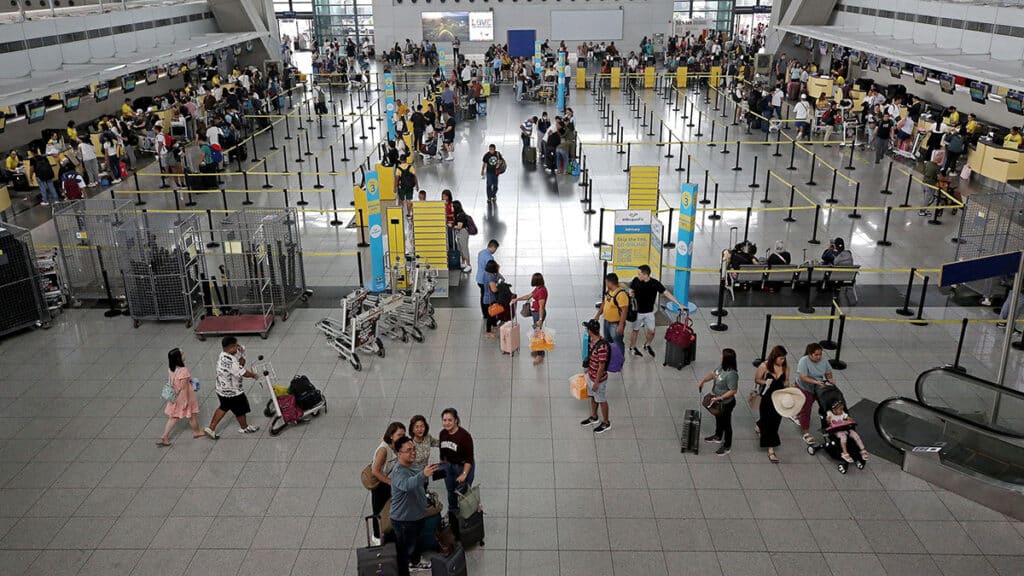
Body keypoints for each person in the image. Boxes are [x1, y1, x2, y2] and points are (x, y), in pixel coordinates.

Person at [391, 436, 438, 575]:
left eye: (413, 449)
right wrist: (423, 474)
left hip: (416, 515)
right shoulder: (398, 471)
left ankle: (415, 560)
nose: (413, 452)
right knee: (407, 548)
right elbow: (407, 485)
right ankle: (409, 565)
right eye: (408, 450)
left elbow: (419, 481)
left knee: (415, 541)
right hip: (404, 520)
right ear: (399, 453)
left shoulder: (412, 465)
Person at [204, 336, 259, 439]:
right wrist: (254, 375)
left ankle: (211, 428)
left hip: (221, 389)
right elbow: (243, 372)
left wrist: (241, 353)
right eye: (235, 346)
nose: (237, 348)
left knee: (223, 407)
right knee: (241, 410)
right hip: (234, 392)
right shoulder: (232, 362)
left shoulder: (222, 355)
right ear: (230, 347)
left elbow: (239, 366)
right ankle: (244, 427)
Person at [628, 264, 683, 358]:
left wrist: (678, 304)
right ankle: (632, 347)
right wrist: (631, 294)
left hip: (649, 312)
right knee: (635, 330)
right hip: (637, 312)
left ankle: (647, 345)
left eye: (639, 274)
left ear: (646, 275)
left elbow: (666, 293)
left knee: (652, 331)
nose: (638, 275)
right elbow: (631, 289)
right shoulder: (636, 280)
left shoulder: (655, 283)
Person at [697, 348, 739, 455]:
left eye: (722, 355)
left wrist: (720, 398)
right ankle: (718, 435)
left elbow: (733, 390)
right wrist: (703, 381)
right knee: (718, 418)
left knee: (726, 424)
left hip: (726, 403)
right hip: (716, 400)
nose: (720, 356)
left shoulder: (732, 374)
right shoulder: (721, 368)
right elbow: (713, 374)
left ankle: (727, 446)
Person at [157, 348, 203, 446]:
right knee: (192, 415)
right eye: (182, 353)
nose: (184, 354)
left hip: (175, 395)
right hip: (184, 396)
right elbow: (184, 388)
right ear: (179, 358)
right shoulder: (183, 371)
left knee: (173, 416)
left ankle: (165, 436)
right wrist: (186, 401)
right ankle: (197, 431)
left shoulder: (171, 368)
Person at [370, 421, 406, 540]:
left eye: (403, 435)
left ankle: (388, 532)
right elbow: (375, 470)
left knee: (390, 508)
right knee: (379, 511)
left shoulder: (394, 445)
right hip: (380, 485)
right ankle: (377, 536)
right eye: (399, 435)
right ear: (391, 435)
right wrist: (389, 481)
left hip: (387, 482)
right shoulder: (384, 450)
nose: (402, 437)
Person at [438, 408, 475, 523]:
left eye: (450, 420)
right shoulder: (442, 433)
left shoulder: (465, 436)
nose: (447, 423)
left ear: (456, 421)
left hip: (462, 467)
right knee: (450, 490)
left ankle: (467, 515)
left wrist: (464, 474)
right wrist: (442, 466)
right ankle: (452, 512)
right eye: (444, 420)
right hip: (448, 466)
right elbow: (442, 452)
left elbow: (469, 458)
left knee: (464, 492)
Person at [753, 345, 789, 463]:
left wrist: (788, 386)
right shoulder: (764, 366)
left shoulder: (785, 367)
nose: (782, 361)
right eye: (780, 358)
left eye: (784, 358)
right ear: (774, 357)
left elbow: (786, 381)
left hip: (779, 398)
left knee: (775, 421)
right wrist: (765, 381)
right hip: (767, 397)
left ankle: (771, 447)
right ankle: (770, 447)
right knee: (767, 418)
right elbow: (757, 379)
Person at [796, 343, 833, 445]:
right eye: (816, 355)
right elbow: (803, 377)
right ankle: (806, 432)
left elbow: (828, 371)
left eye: (820, 354)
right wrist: (816, 382)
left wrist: (830, 379)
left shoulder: (823, 361)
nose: (819, 357)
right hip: (805, 387)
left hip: (817, 387)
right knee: (806, 408)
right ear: (810, 354)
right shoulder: (804, 361)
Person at [580, 319, 612, 434]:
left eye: (587, 328)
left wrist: (597, 382)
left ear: (590, 331)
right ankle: (594, 417)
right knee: (593, 396)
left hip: (598, 379)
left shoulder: (602, 347)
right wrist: (588, 372)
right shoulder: (592, 341)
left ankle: (606, 422)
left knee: (602, 400)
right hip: (591, 375)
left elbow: (601, 366)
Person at [512, 273, 549, 365]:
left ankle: (540, 355)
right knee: (537, 332)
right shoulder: (538, 288)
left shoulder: (542, 291)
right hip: (535, 313)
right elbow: (529, 296)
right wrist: (517, 299)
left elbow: (541, 307)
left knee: (537, 333)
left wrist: (540, 319)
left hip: (538, 314)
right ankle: (539, 350)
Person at [594, 273, 630, 353]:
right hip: (607, 322)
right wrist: (598, 315)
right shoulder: (610, 291)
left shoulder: (621, 294)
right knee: (608, 341)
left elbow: (624, 311)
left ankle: (619, 361)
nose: (606, 284)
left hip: (616, 324)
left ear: (610, 283)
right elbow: (604, 303)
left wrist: (621, 325)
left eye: (606, 282)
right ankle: (610, 358)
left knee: (617, 342)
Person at [475, 239, 499, 317]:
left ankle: (484, 313)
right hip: (486, 280)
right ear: (493, 247)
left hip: (479, 278)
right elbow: (492, 270)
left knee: (482, 295)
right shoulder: (490, 258)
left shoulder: (481, 252)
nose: (495, 251)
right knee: (488, 297)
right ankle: (488, 313)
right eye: (495, 249)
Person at [481, 260, 502, 337]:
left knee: (493, 314)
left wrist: (497, 271)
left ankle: (494, 325)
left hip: (486, 298)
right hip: (490, 299)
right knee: (491, 315)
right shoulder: (490, 277)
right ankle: (488, 331)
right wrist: (499, 288)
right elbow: (494, 289)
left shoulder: (486, 273)